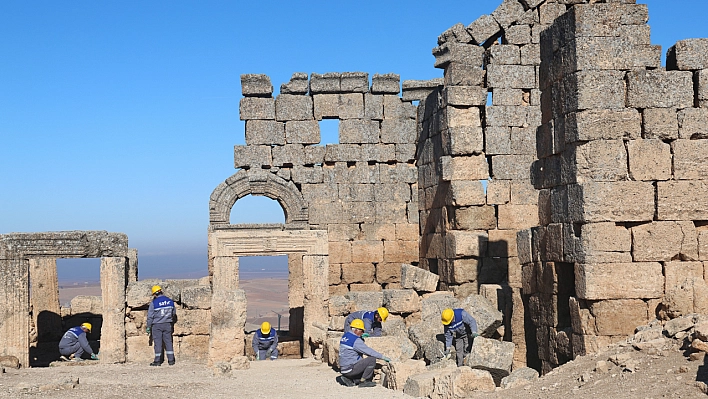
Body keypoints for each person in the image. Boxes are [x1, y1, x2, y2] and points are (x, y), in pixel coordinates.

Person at [339, 319, 391, 388]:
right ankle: (364, 381)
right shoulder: (356, 341)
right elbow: (369, 352)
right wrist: (383, 357)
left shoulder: (346, 335)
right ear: (356, 330)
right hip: (350, 368)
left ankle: (351, 379)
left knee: (360, 360)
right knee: (371, 359)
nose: (362, 332)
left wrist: (360, 338)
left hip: (344, 368)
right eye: (361, 331)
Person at [147, 285, 177, 366]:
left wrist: (148, 326)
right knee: (168, 342)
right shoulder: (170, 301)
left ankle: (157, 361)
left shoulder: (154, 303)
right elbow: (173, 313)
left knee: (158, 343)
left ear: (154, 294)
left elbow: (150, 316)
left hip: (157, 325)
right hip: (167, 324)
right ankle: (171, 360)